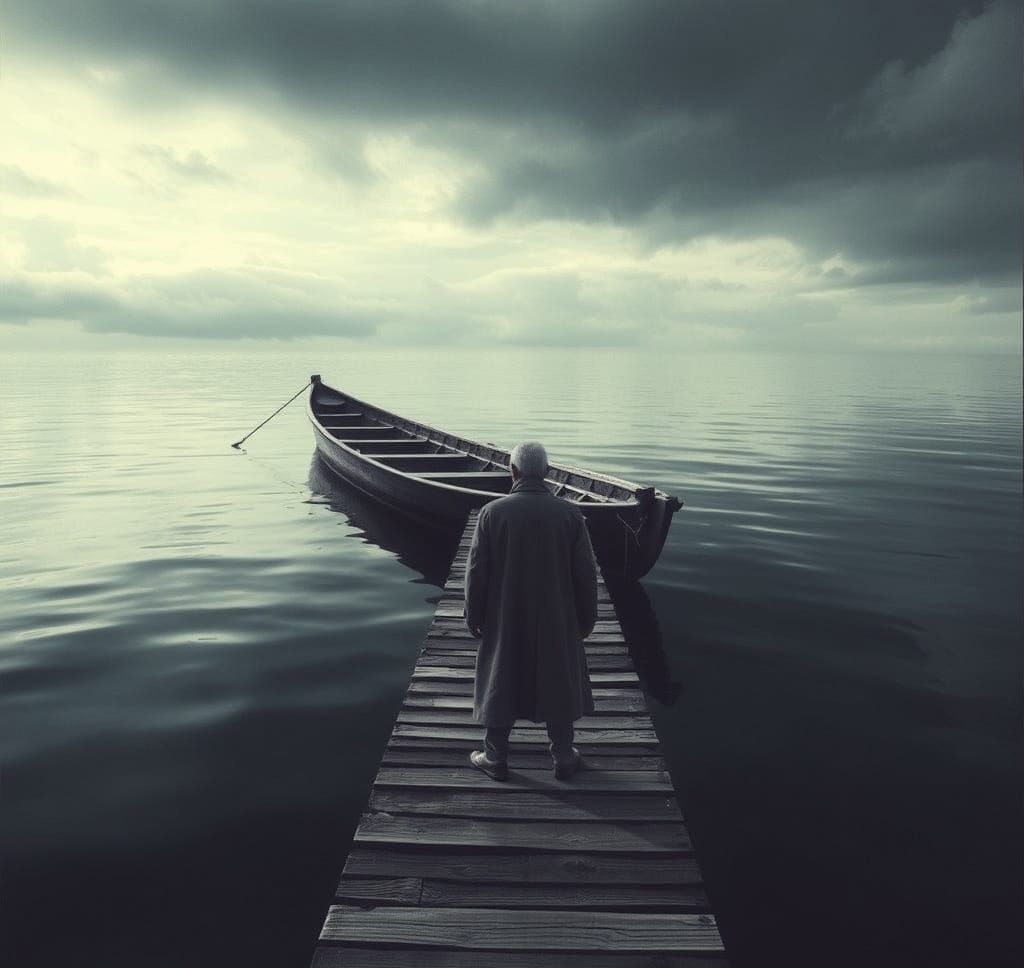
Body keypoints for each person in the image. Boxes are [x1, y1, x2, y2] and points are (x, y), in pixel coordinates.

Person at [464, 441, 598, 781]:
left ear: (513, 471)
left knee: (500, 675)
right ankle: (564, 756)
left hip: (505, 615)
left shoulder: (492, 514)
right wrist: (586, 618)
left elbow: (477, 571)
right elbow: (585, 573)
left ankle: (495, 756)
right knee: (558, 675)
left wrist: (473, 615)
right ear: (548, 473)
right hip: (558, 615)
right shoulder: (570, 514)